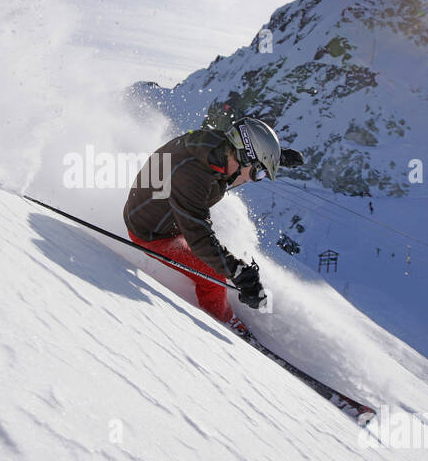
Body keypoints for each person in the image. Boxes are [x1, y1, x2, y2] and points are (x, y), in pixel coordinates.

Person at [124, 118, 299, 329]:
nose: (255, 180)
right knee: (212, 275)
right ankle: (224, 324)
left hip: (170, 219)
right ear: (244, 158)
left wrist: (275, 159)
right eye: (258, 173)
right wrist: (237, 272)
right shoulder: (192, 175)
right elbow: (198, 236)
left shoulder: (219, 150)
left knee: (218, 258)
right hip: (152, 232)